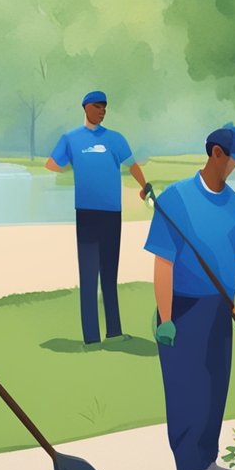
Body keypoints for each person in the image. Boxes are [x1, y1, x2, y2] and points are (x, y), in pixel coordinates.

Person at [146, 125, 235, 470]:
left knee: (215, 387)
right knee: (186, 389)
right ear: (216, 153)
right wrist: (165, 317)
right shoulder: (176, 199)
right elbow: (163, 262)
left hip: (221, 309)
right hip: (182, 308)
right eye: (234, 160)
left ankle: (208, 464)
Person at [46, 90, 151, 345]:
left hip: (112, 214)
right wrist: (75, 165)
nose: (102, 110)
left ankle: (114, 331)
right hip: (86, 213)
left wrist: (144, 185)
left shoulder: (116, 139)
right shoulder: (71, 139)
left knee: (109, 275)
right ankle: (91, 337)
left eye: (105, 106)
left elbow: (132, 165)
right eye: (97, 106)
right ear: (86, 108)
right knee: (88, 276)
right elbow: (52, 164)